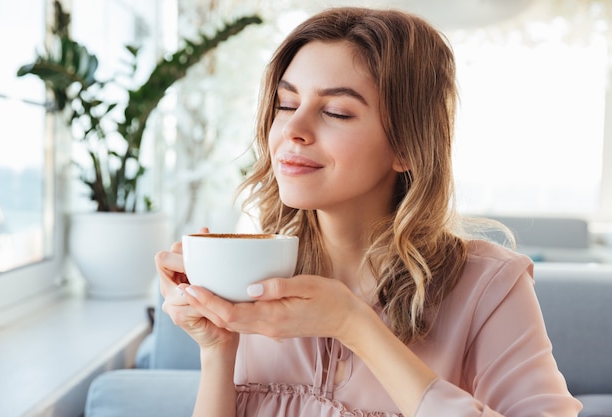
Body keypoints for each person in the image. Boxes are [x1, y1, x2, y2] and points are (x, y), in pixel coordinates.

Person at [155, 6, 583, 417]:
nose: (293, 130)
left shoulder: (487, 287)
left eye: (336, 111)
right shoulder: (252, 275)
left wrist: (354, 324)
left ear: (406, 147)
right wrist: (217, 350)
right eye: (286, 104)